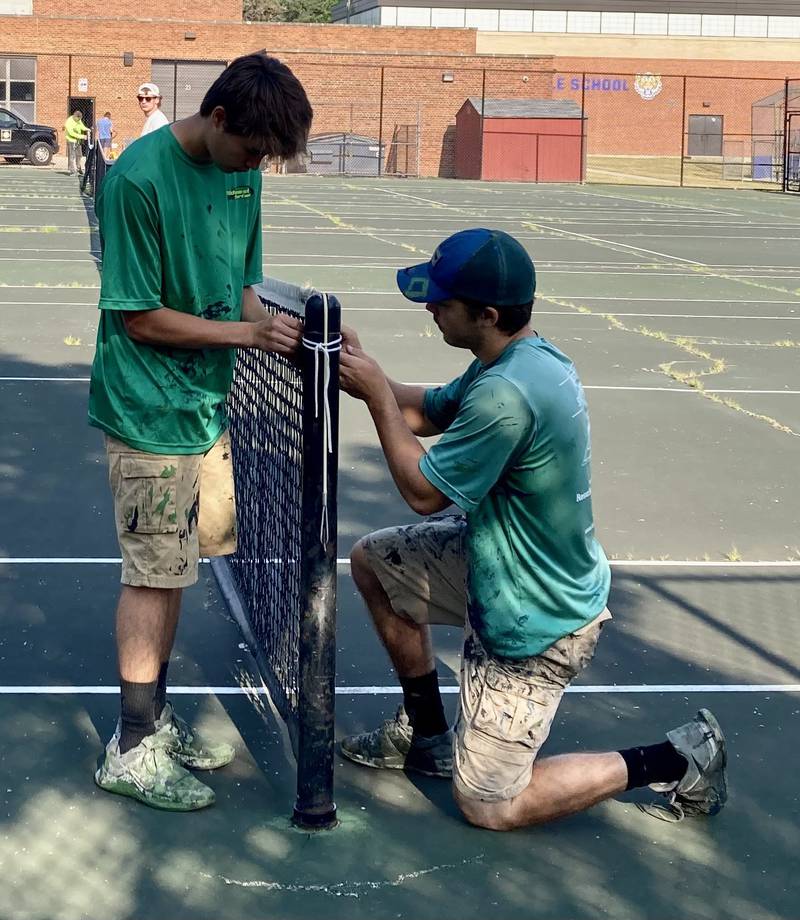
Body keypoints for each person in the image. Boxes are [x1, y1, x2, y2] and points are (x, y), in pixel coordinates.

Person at [337, 228, 728, 830]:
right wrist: (360, 372)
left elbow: (422, 492)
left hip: (535, 615)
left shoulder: (507, 392)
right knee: (376, 562)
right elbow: (423, 410)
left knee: (490, 805)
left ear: (487, 314)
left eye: (442, 302)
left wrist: (375, 398)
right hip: (498, 564)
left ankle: (678, 758)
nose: (429, 308)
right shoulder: (517, 357)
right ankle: (425, 731)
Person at [88, 53, 313, 811]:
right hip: (148, 410)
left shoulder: (244, 171)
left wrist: (290, 333)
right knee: (152, 572)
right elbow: (138, 315)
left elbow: (245, 288)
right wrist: (247, 339)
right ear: (218, 118)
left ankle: (155, 719)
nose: (255, 166)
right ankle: (129, 744)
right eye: (251, 150)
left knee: (178, 567)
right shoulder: (137, 180)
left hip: (204, 408)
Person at [64, 110, 89, 175]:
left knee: (79, 155)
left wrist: (86, 129)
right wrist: (82, 136)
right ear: (75, 116)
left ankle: (78, 168)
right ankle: (72, 170)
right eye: (78, 119)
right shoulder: (69, 122)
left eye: (79, 119)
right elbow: (71, 133)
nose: (79, 121)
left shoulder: (78, 120)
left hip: (78, 140)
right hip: (71, 140)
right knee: (72, 156)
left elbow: (81, 126)